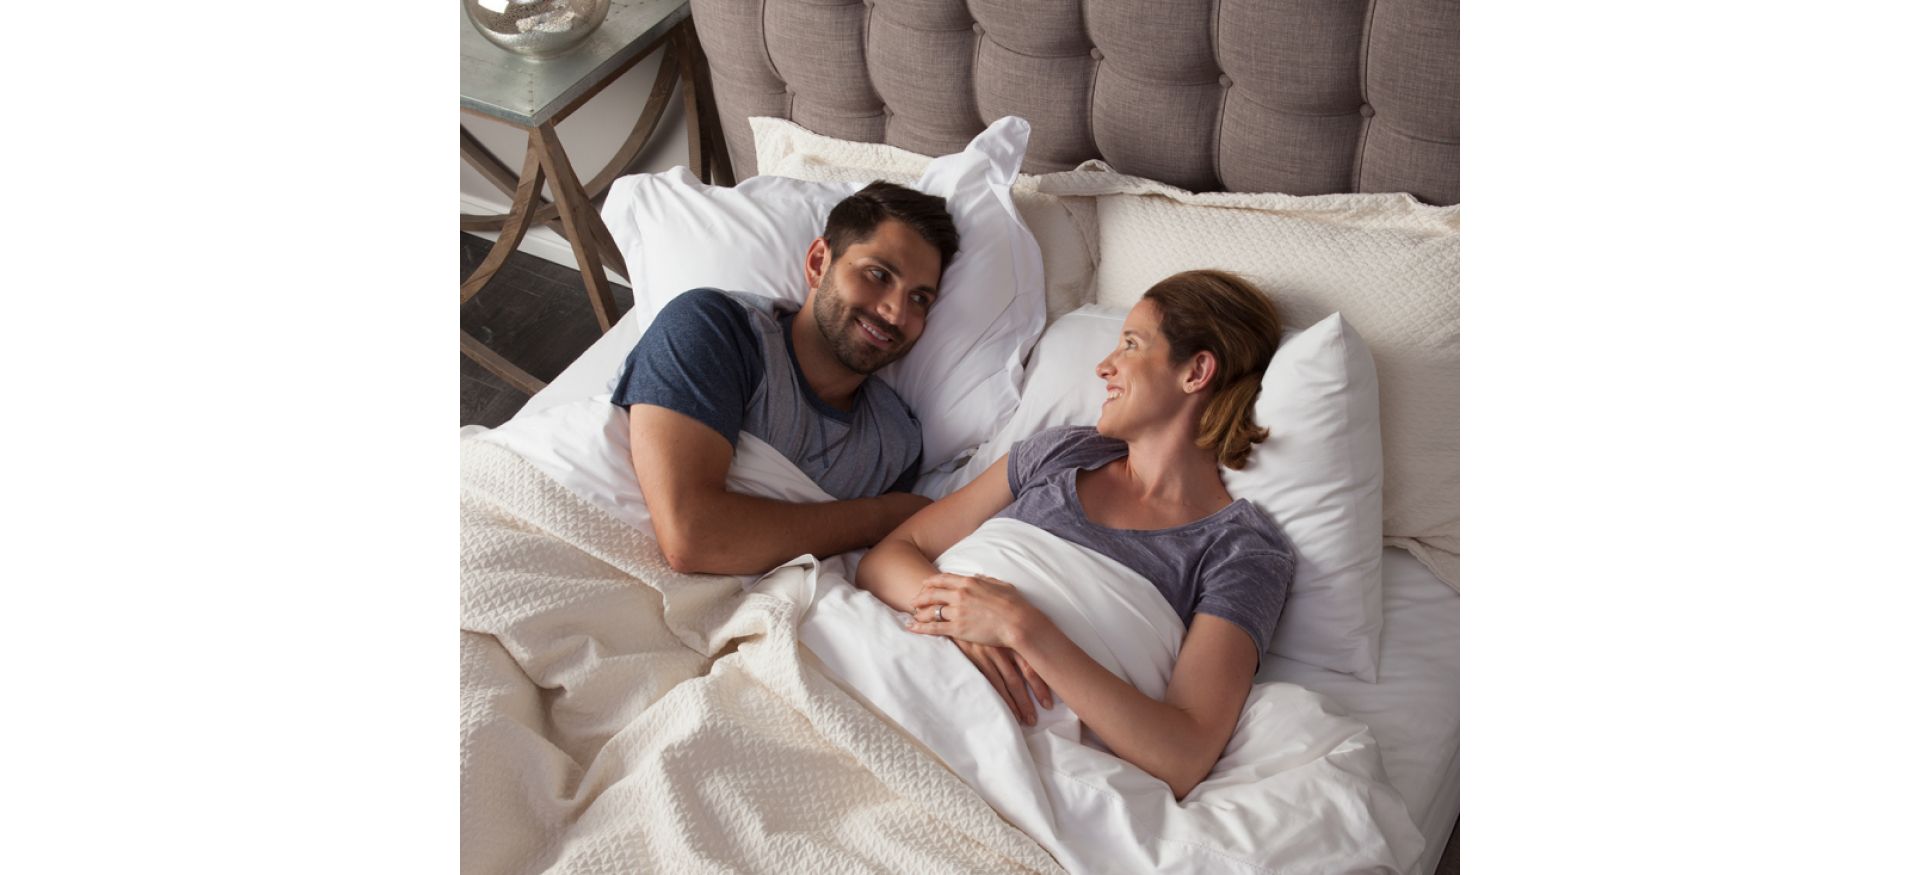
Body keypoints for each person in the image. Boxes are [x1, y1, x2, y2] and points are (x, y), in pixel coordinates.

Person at [854, 269, 1295, 801]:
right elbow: (887, 559)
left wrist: (1022, 627)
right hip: (892, 667)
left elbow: (1183, 754)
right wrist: (962, 620)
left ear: (1196, 371)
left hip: (1004, 751)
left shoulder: (1242, 549)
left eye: (1131, 344)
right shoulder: (1061, 452)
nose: (1103, 366)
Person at [615, 182, 959, 575]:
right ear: (817, 263)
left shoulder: (894, 446)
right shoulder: (715, 329)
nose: (896, 313)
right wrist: (879, 516)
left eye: (919, 299)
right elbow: (692, 538)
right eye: (878, 274)